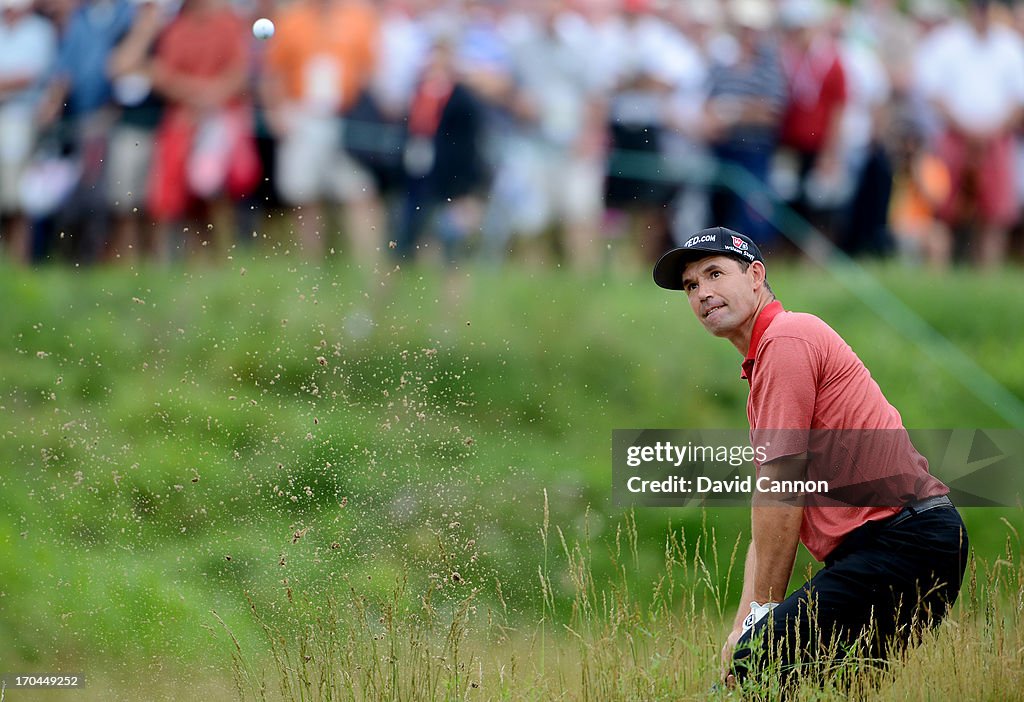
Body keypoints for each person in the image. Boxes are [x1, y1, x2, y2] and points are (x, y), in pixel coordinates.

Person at [652, 226, 968, 690]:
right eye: (691, 286)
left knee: (759, 667)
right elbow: (769, 519)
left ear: (756, 276)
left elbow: (782, 487)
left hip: (904, 542)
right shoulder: (766, 364)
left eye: (715, 274)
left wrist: (760, 624)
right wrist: (744, 624)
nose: (702, 293)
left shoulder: (786, 338)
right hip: (900, 547)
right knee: (829, 686)